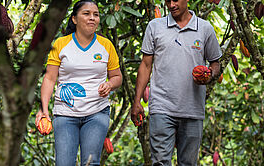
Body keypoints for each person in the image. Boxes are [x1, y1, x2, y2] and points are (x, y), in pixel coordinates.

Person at [131, 0, 221, 165]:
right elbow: (145, 65)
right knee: (160, 162)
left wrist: (209, 75)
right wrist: (137, 101)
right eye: (167, 1)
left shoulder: (204, 28)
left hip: (192, 109)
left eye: (175, 0)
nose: (171, 4)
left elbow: (215, 63)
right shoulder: (155, 26)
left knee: (188, 163)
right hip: (161, 107)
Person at [35, 0, 122, 165]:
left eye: (96, 15)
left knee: (90, 162)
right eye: (86, 14)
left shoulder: (106, 45)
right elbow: (50, 78)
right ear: (74, 19)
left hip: (97, 112)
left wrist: (110, 84)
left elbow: (117, 76)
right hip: (65, 114)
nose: (92, 18)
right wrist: (43, 109)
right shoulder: (61, 44)